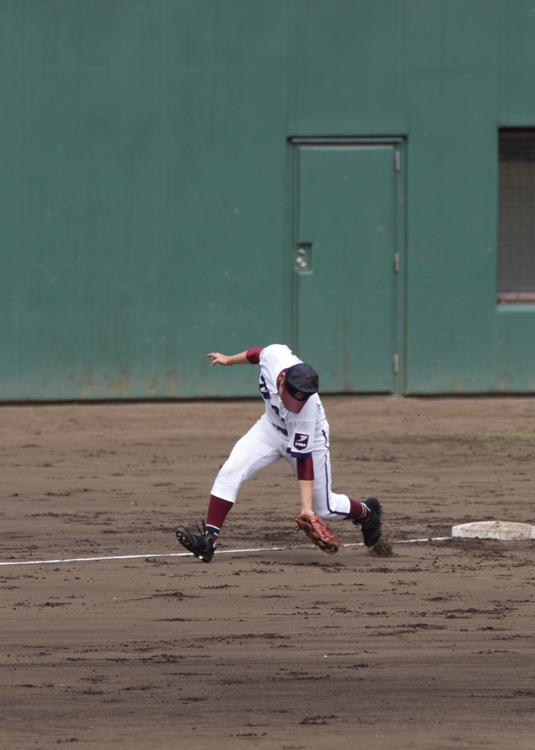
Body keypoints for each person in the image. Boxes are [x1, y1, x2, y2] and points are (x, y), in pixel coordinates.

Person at [175, 344, 382, 562]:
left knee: (324, 507)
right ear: (282, 378)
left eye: (300, 399)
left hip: (311, 442)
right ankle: (209, 541)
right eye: (292, 396)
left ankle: (368, 513)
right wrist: (229, 360)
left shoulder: (305, 412)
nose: (295, 404)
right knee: (231, 470)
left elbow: (303, 458)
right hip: (269, 429)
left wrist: (306, 508)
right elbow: (257, 353)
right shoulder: (274, 356)